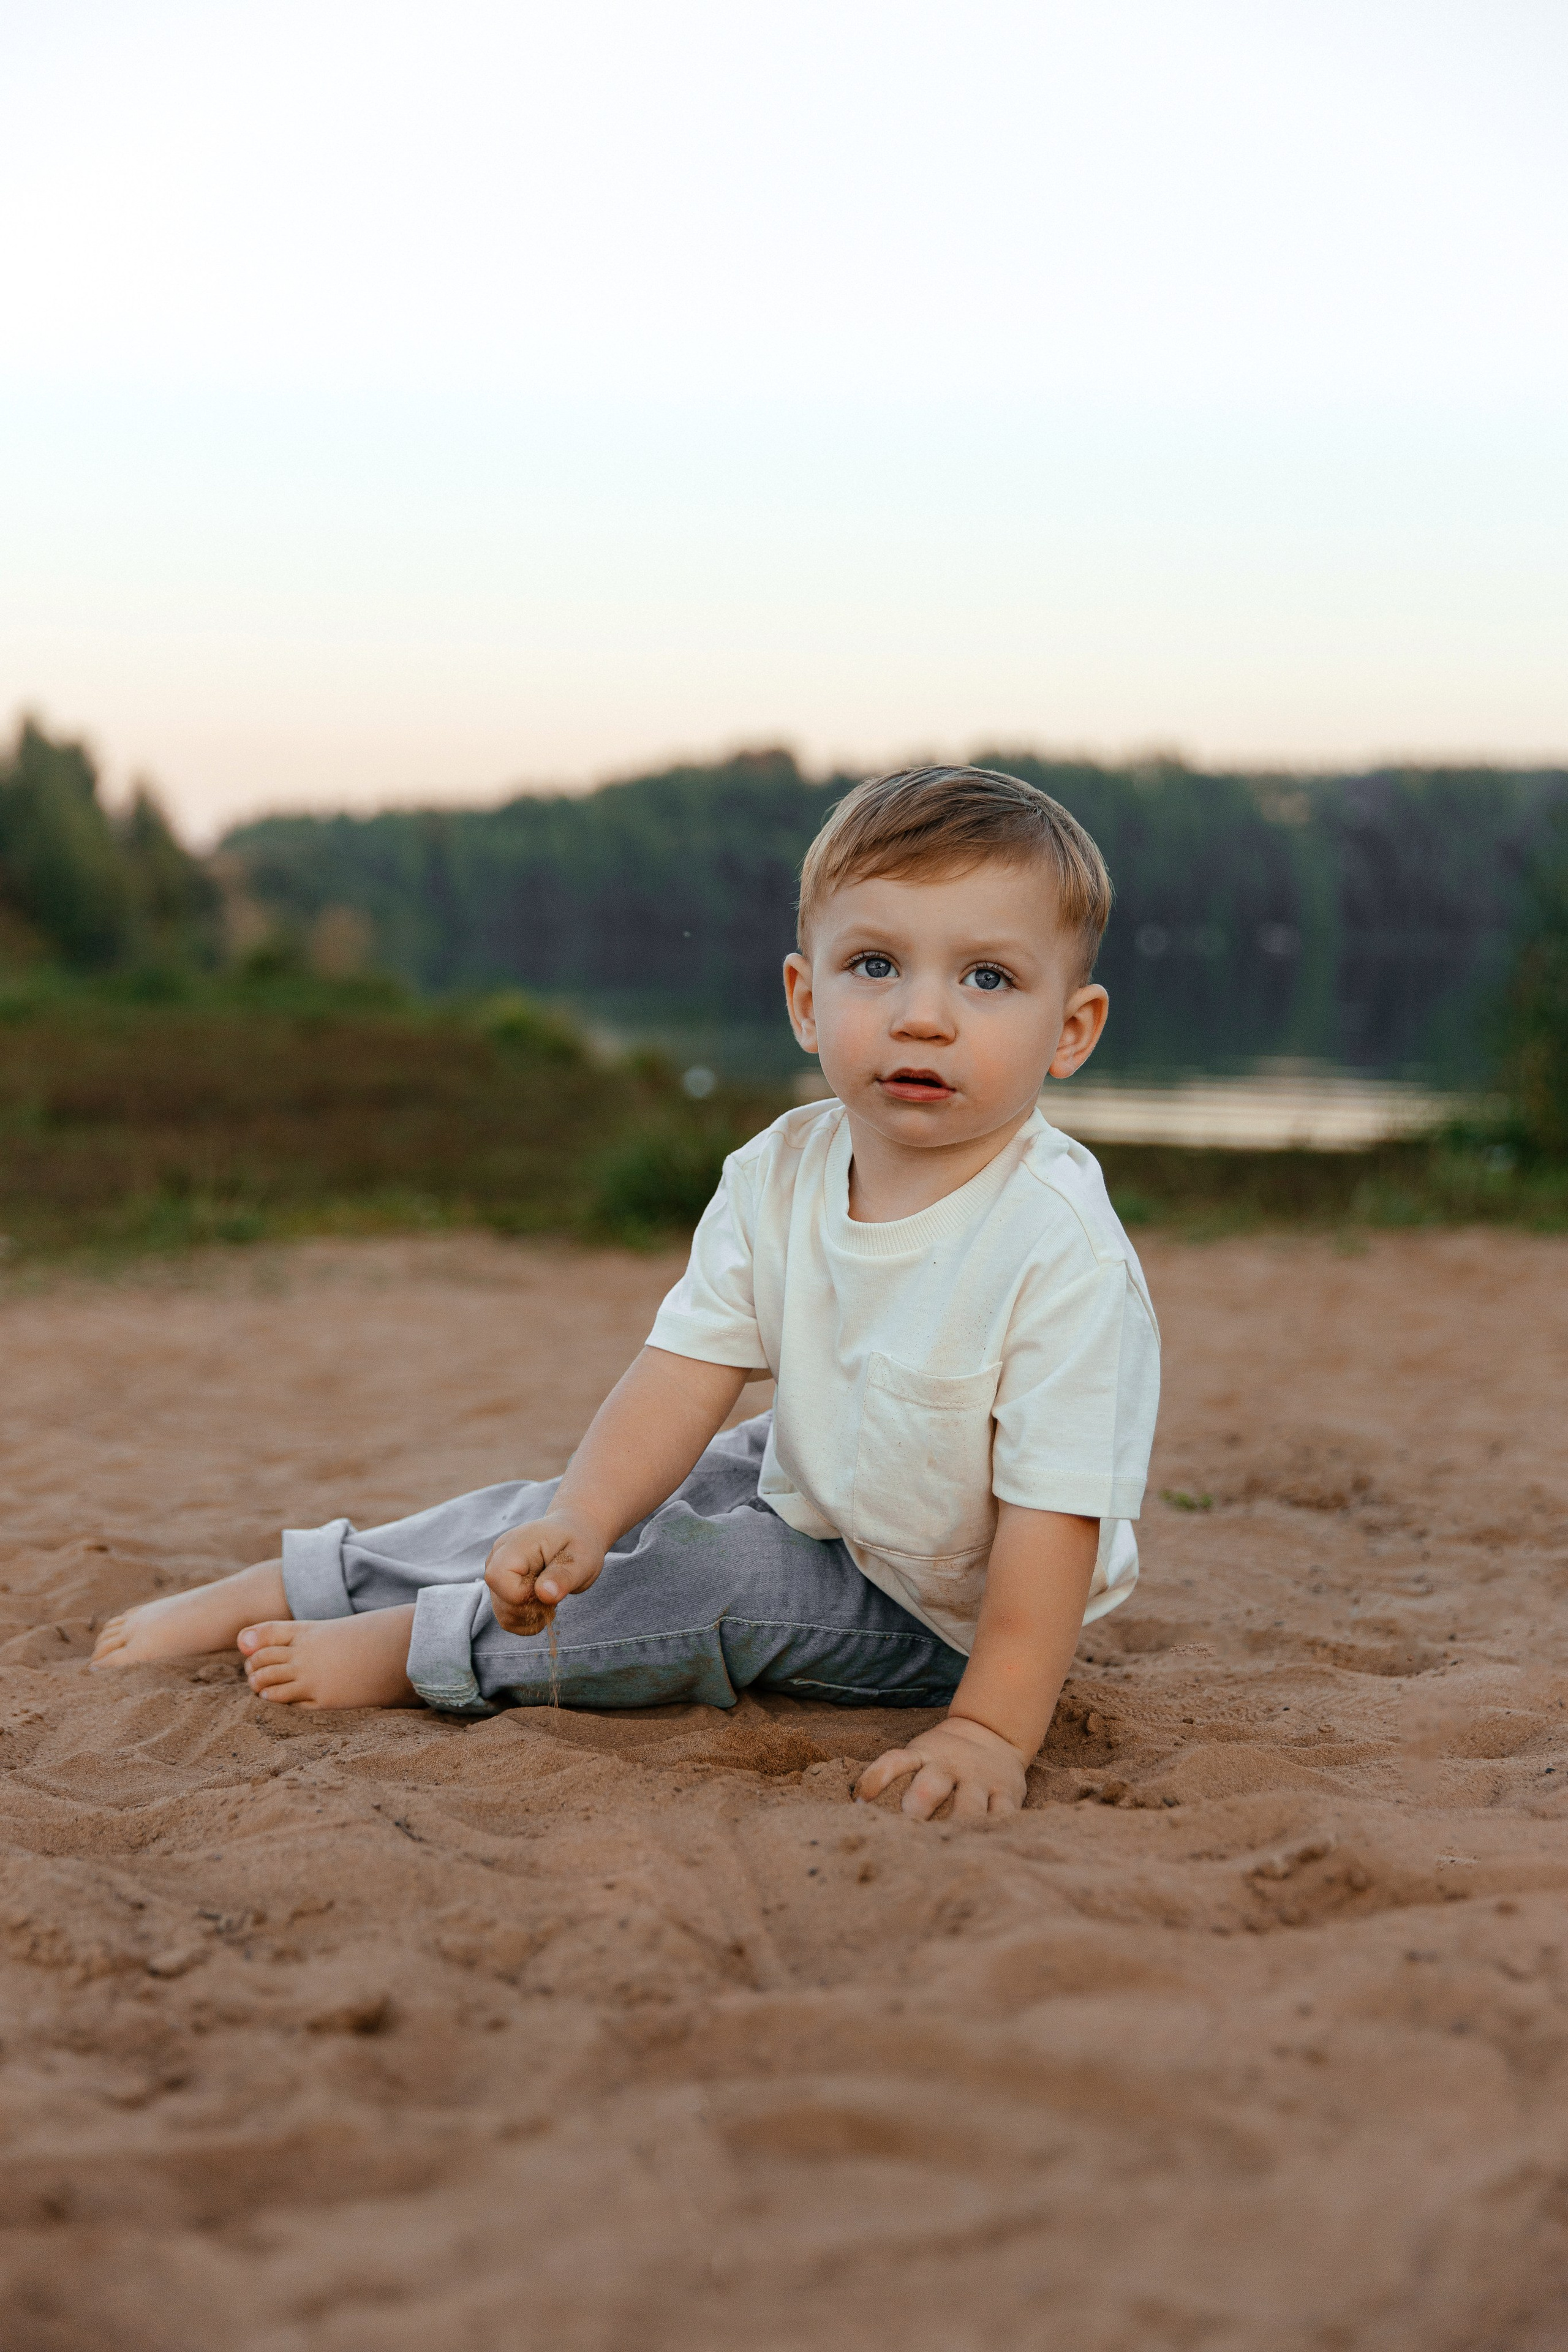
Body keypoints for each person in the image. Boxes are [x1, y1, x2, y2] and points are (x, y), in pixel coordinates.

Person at [92, 766, 1160, 1821]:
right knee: (567, 1507)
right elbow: (685, 1373)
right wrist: (588, 1515)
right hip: (828, 1484)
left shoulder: (1061, 1252)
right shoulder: (779, 1169)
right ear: (805, 999)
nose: (923, 1016)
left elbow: (1052, 1525)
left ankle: (422, 1647)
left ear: (1072, 1029)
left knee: (715, 1574)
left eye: (987, 979)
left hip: (941, 1612)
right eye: (875, 964)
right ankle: (320, 1578)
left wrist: (989, 1731)